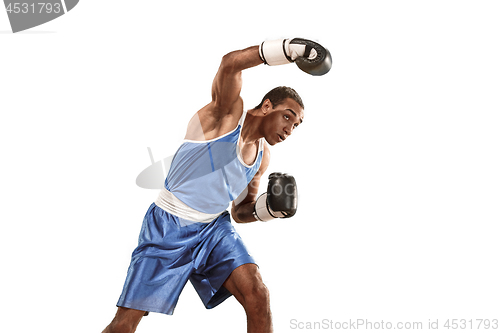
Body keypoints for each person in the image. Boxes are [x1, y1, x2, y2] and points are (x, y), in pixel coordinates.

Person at [102, 37, 331, 333]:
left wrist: (268, 210)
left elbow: (240, 211)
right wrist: (288, 49)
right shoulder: (225, 116)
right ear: (266, 106)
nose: (289, 128)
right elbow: (230, 64)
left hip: (214, 229)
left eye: (296, 124)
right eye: (287, 116)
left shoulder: (262, 157)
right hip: (169, 226)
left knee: (258, 295)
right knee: (124, 325)